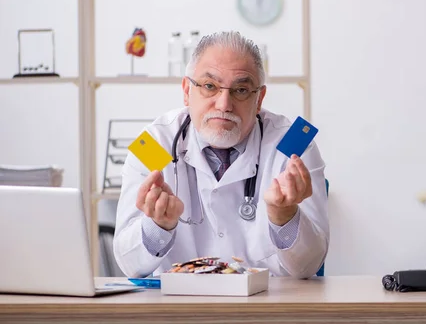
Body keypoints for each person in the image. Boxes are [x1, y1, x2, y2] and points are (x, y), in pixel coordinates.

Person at [113, 31, 329, 279]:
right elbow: (129, 265)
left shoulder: (292, 145)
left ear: (259, 99)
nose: (224, 104)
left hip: (268, 307)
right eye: (209, 86)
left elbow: (309, 266)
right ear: (186, 90)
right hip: (180, 308)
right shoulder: (154, 144)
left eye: (241, 90)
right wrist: (157, 227)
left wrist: (284, 217)